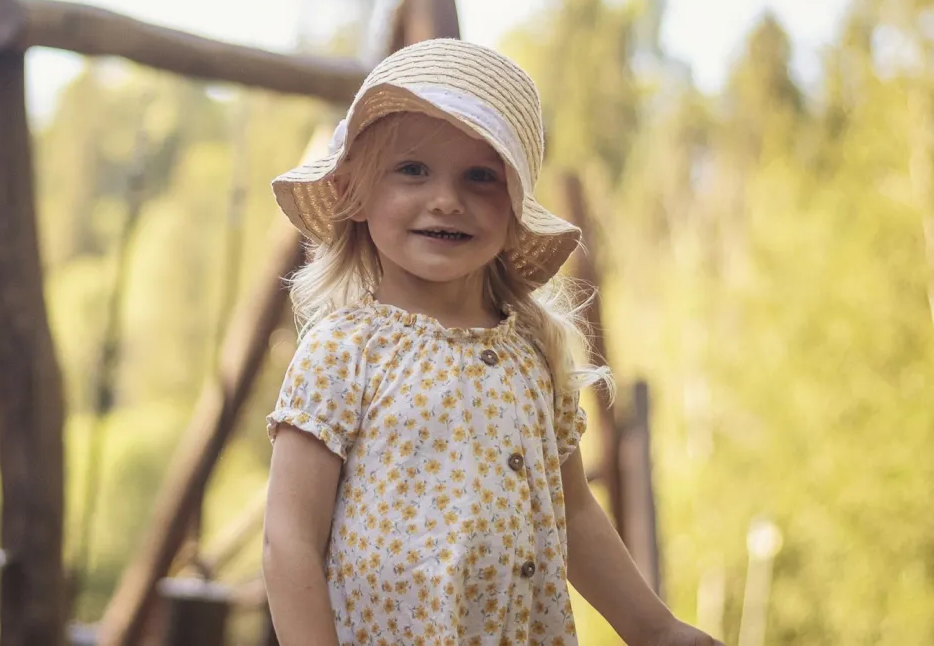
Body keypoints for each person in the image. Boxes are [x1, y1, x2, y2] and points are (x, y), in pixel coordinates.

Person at [261, 38, 722, 645]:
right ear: (359, 191)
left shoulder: (531, 356)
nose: (446, 199)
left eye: (481, 176)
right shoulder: (343, 352)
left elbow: (574, 513)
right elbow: (288, 539)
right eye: (412, 169)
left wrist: (655, 628)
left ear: (515, 211)